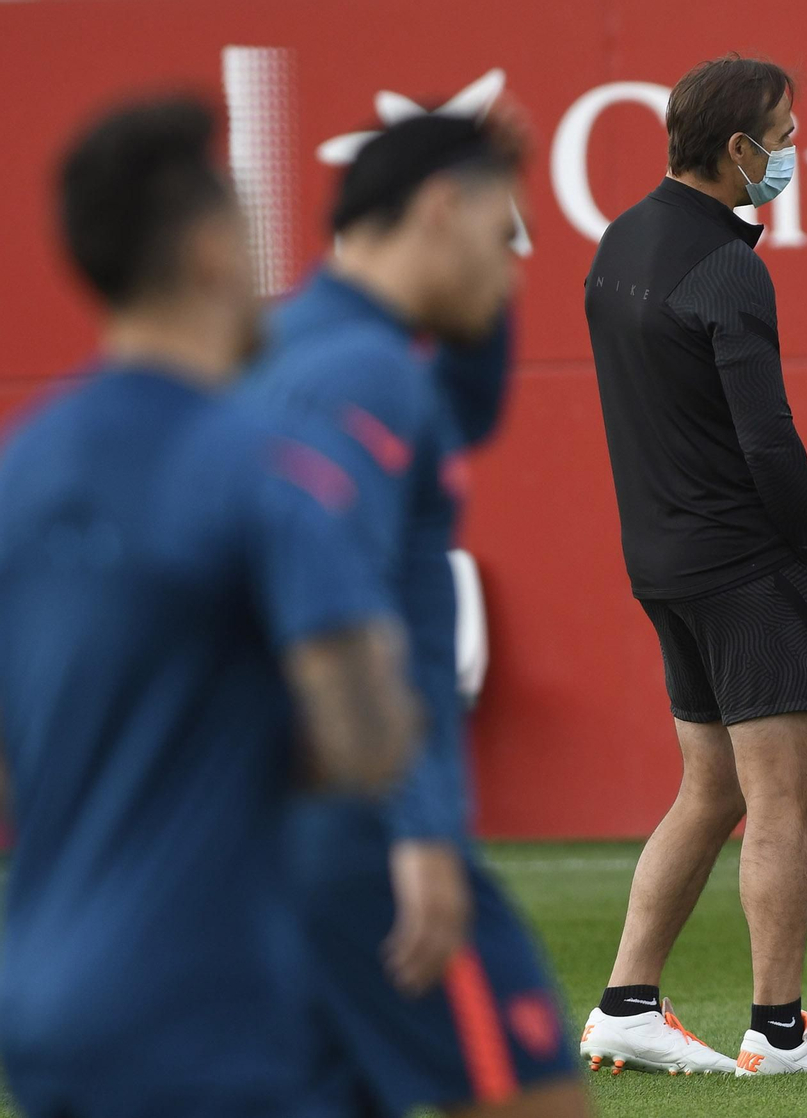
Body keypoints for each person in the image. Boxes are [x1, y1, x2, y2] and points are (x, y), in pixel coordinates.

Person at [0, 97, 417, 1118]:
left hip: (41, 1006)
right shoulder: (266, 467)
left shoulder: (20, 468)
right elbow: (365, 742)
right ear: (208, 251)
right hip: (212, 1005)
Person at [245, 109, 590, 1118]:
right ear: (439, 209)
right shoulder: (362, 373)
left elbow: (467, 409)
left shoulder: (312, 349)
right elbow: (329, 608)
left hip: (286, 834)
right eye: (500, 232)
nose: (513, 271)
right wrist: (419, 829)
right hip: (364, 832)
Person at [579, 54, 807, 1077]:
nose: (792, 151)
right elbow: (768, 442)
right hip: (744, 565)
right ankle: (778, 1030)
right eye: (782, 137)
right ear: (737, 148)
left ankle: (626, 1005)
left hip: (661, 562)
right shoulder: (731, 268)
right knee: (779, 795)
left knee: (710, 789)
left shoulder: (618, 241)